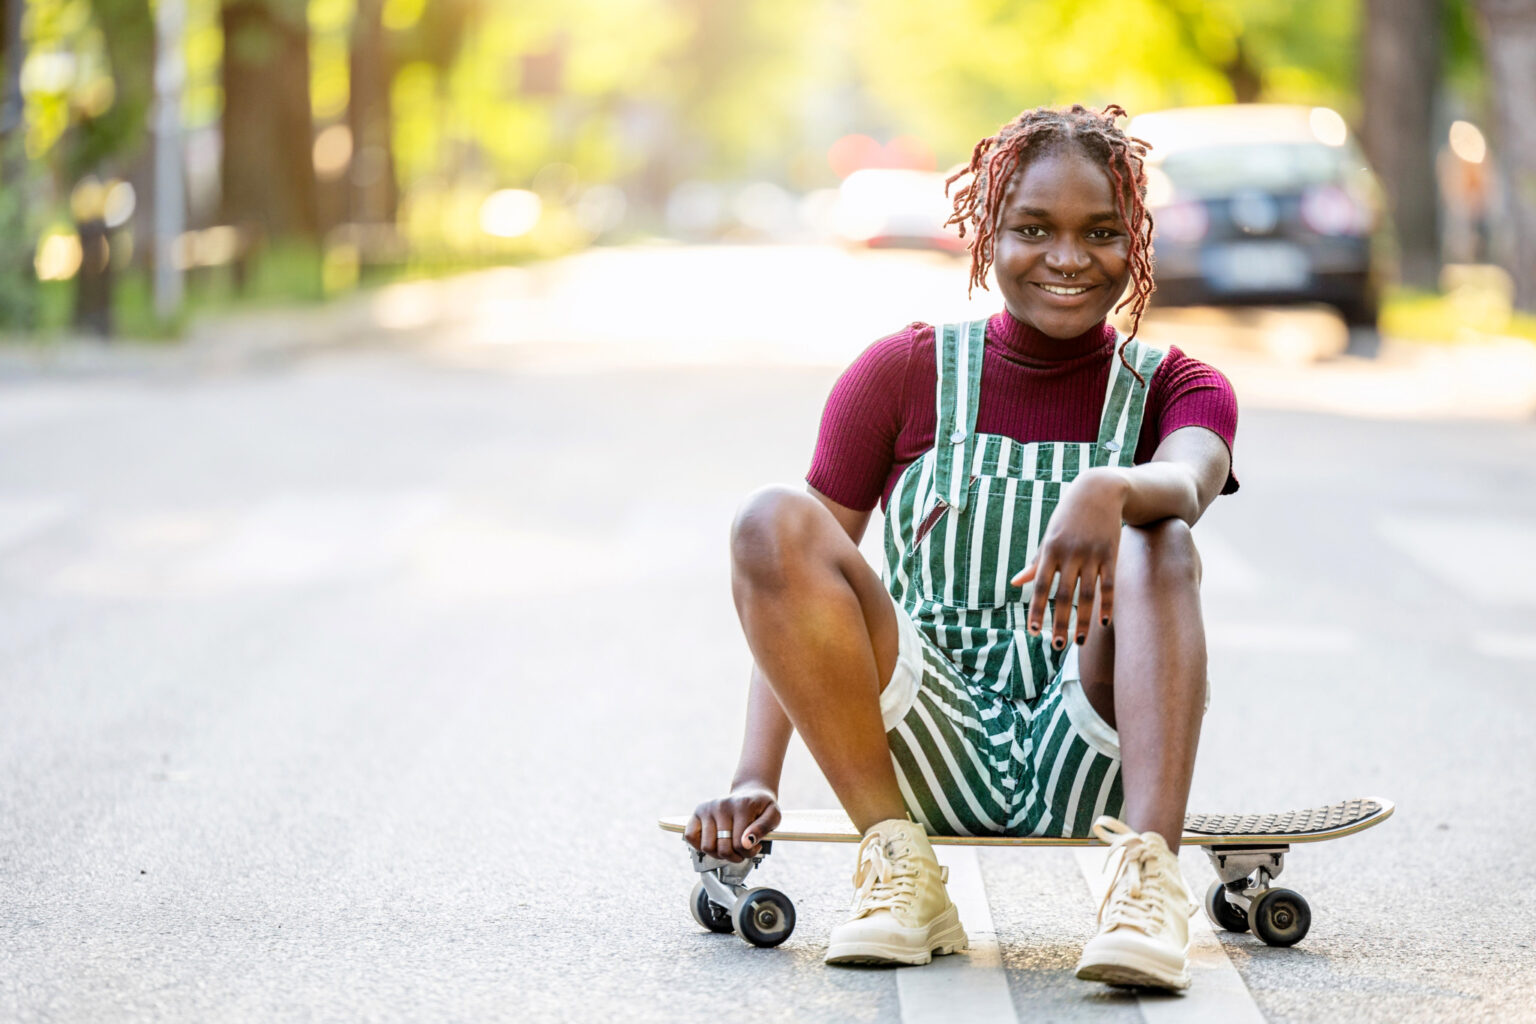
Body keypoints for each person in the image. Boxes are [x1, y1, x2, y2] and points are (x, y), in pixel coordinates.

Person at [684, 103, 1238, 992]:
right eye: (1033, 229)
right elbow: (790, 579)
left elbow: (1193, 479)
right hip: (915, 739)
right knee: (769, 516)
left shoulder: (1176, 385)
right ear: (987, 235)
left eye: (1100, 232)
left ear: (1135, 237)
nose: (1067, 257)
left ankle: (1148, 881)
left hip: (1092, 749)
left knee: (1160, 538)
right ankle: (899, 867)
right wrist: (756, 774)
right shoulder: (901, 373)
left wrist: (1111, 487)